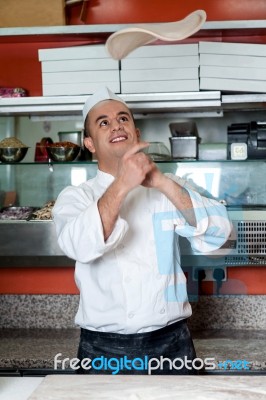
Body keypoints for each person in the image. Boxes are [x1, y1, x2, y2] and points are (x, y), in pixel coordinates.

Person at [52, 86, 232, 375]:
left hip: (172, 343)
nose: (116, 126)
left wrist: (161, 182)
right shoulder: (75, 197)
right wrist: (123, 182)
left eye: (123, 119)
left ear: (135, 132)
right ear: (90, 144)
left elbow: (222, 238)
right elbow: (81, 246)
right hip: (101, 349)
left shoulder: (170, 185)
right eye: (104, 123)